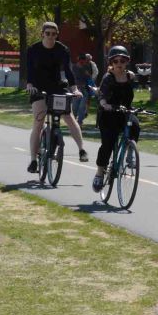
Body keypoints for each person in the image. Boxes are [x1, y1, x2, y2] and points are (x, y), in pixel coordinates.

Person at [25, 21, 87, 173]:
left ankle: (82, 150)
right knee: (38, 122)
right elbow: (30, 69)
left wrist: (75, 89)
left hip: (57, 86)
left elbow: (68, 70)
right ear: (42, 34)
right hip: (38, 87)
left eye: (54, 34)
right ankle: (33, 160)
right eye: (48, 33)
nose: (51, 36)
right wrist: (30, 84)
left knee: (69, 117)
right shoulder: (33, 49)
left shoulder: (62, 49)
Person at [93, 46, 141, 191]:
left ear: (127, 62)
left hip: (124, 112)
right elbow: (102, 94)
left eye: (123, 60)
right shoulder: (108, 77)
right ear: (111, 63)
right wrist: (104, 104)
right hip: (108, 114)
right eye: (116, 61)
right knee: (108, 144)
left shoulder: (129, 76)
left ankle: (129, 152)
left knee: (135, 125)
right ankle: (99, 173)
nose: (119, 63)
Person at [72, 53, 94, 125]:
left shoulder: (86, 67)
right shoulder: (74, 67)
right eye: (81, 60)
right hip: (76, 89)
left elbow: (90, 77)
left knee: (82, 107)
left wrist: (88, 74)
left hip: (84, 89)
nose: (82, 61)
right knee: (75, 107)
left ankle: (79, 122)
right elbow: (72, 78)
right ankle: (73, 121)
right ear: (78, 60)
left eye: (83, 60)